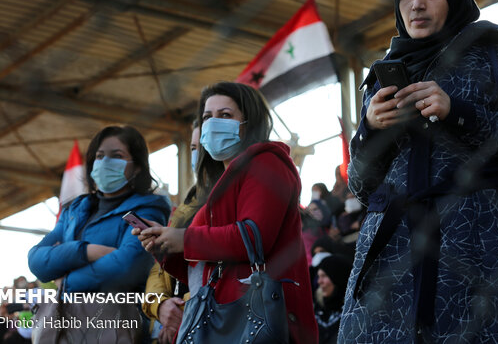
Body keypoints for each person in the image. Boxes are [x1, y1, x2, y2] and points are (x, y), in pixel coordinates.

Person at [339, 0, 498, 342]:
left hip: (486, 248)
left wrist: (458, 113)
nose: (416, 4)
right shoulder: (381, 76)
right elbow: (362, 185)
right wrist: (371, 130)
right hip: (396, 259)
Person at [135, 82, 318, 344]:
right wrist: (165, 246)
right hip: (224, 319)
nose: (212, 123)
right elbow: (206, 268)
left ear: (249, 123)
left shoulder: (265, 163)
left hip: (258, 318)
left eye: (225, 115)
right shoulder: (221, 186)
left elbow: (253, 237)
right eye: (207, 117)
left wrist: (184, 239)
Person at [28, 125, 171, 339]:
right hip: (68, 324)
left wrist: (66, 280)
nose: (104, 162)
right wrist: (87, 251)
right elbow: (37, 260)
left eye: (117, 156)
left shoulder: (149, 208)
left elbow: (127, 267)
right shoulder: (74, 210)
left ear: (137, 167)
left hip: (116, 325)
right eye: (100, 156)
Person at [141, 121, 206, 344]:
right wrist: (160, 306)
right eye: (194, 148)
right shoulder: (184, 208)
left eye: (204, 145)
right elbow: (158, 272)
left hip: (207, 323)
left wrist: (181, 310)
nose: (198, 154)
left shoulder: (232, 200)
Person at [313, 254, 351, 344]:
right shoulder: (317, 311)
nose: (319, 281)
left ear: (338, 278)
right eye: (319, 276)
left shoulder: (352, 313)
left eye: (324, 276)